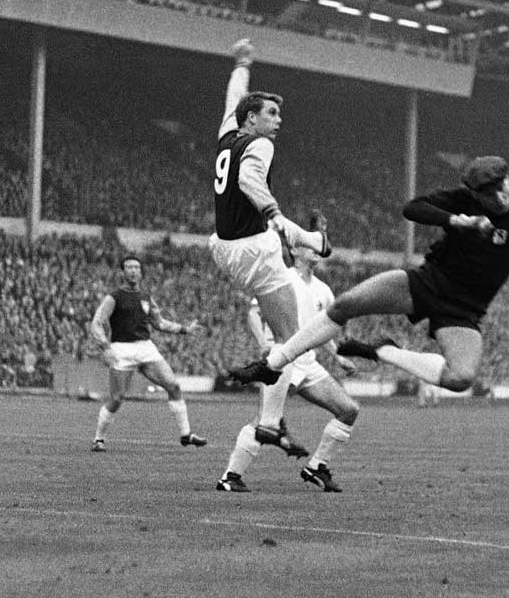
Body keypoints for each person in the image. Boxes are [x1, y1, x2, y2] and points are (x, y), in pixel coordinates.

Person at [228, 155, 509, 394]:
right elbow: (411, 208)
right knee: (345, 305)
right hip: (426, 282)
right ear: (474, 193)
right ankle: (273, 363)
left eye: (505, 185)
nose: (502, 195)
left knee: (461, 379)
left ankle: (382, 351)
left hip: (465, 308)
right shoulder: (462, 200)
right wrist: (460, 220)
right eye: (491, 191)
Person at [209, 38, 331, 450]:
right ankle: (270, 423)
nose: (278, 121)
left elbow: (233, 98)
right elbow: (248, 180)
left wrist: (241, 63)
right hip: (253, 249)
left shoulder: (229, 132)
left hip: (224, 247)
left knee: (286, 340)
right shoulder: (261, 144)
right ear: (253, 120)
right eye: (272, 114)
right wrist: (274, 213)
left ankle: (312, 239)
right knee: (291, 341)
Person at [217, 230, 361, 494]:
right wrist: (263, 342)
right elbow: (253, 312)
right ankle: (230, 477)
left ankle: (316, 467)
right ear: (294, 250)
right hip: (281, 360)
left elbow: (321, 328)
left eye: (318, 246)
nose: (315, 250)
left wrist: (336, 356)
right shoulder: (281, 279)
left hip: (308, 362)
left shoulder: (324, 291)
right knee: (265, 422)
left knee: (348, 410)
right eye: (308, 245)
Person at [88, 256, 207, 452]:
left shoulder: (145, 296)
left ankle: (186, 435)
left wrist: (184, 329)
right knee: (117, 399)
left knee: (174, 386)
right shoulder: (114, 297)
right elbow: (97, 323)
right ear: (122, 272)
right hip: (122, 349)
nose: (133, 271)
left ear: (141, 272)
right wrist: (105, 347)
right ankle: (98, 439)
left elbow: (159, 323)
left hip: (145, 348)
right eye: (129, 267)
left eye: (136, 267)